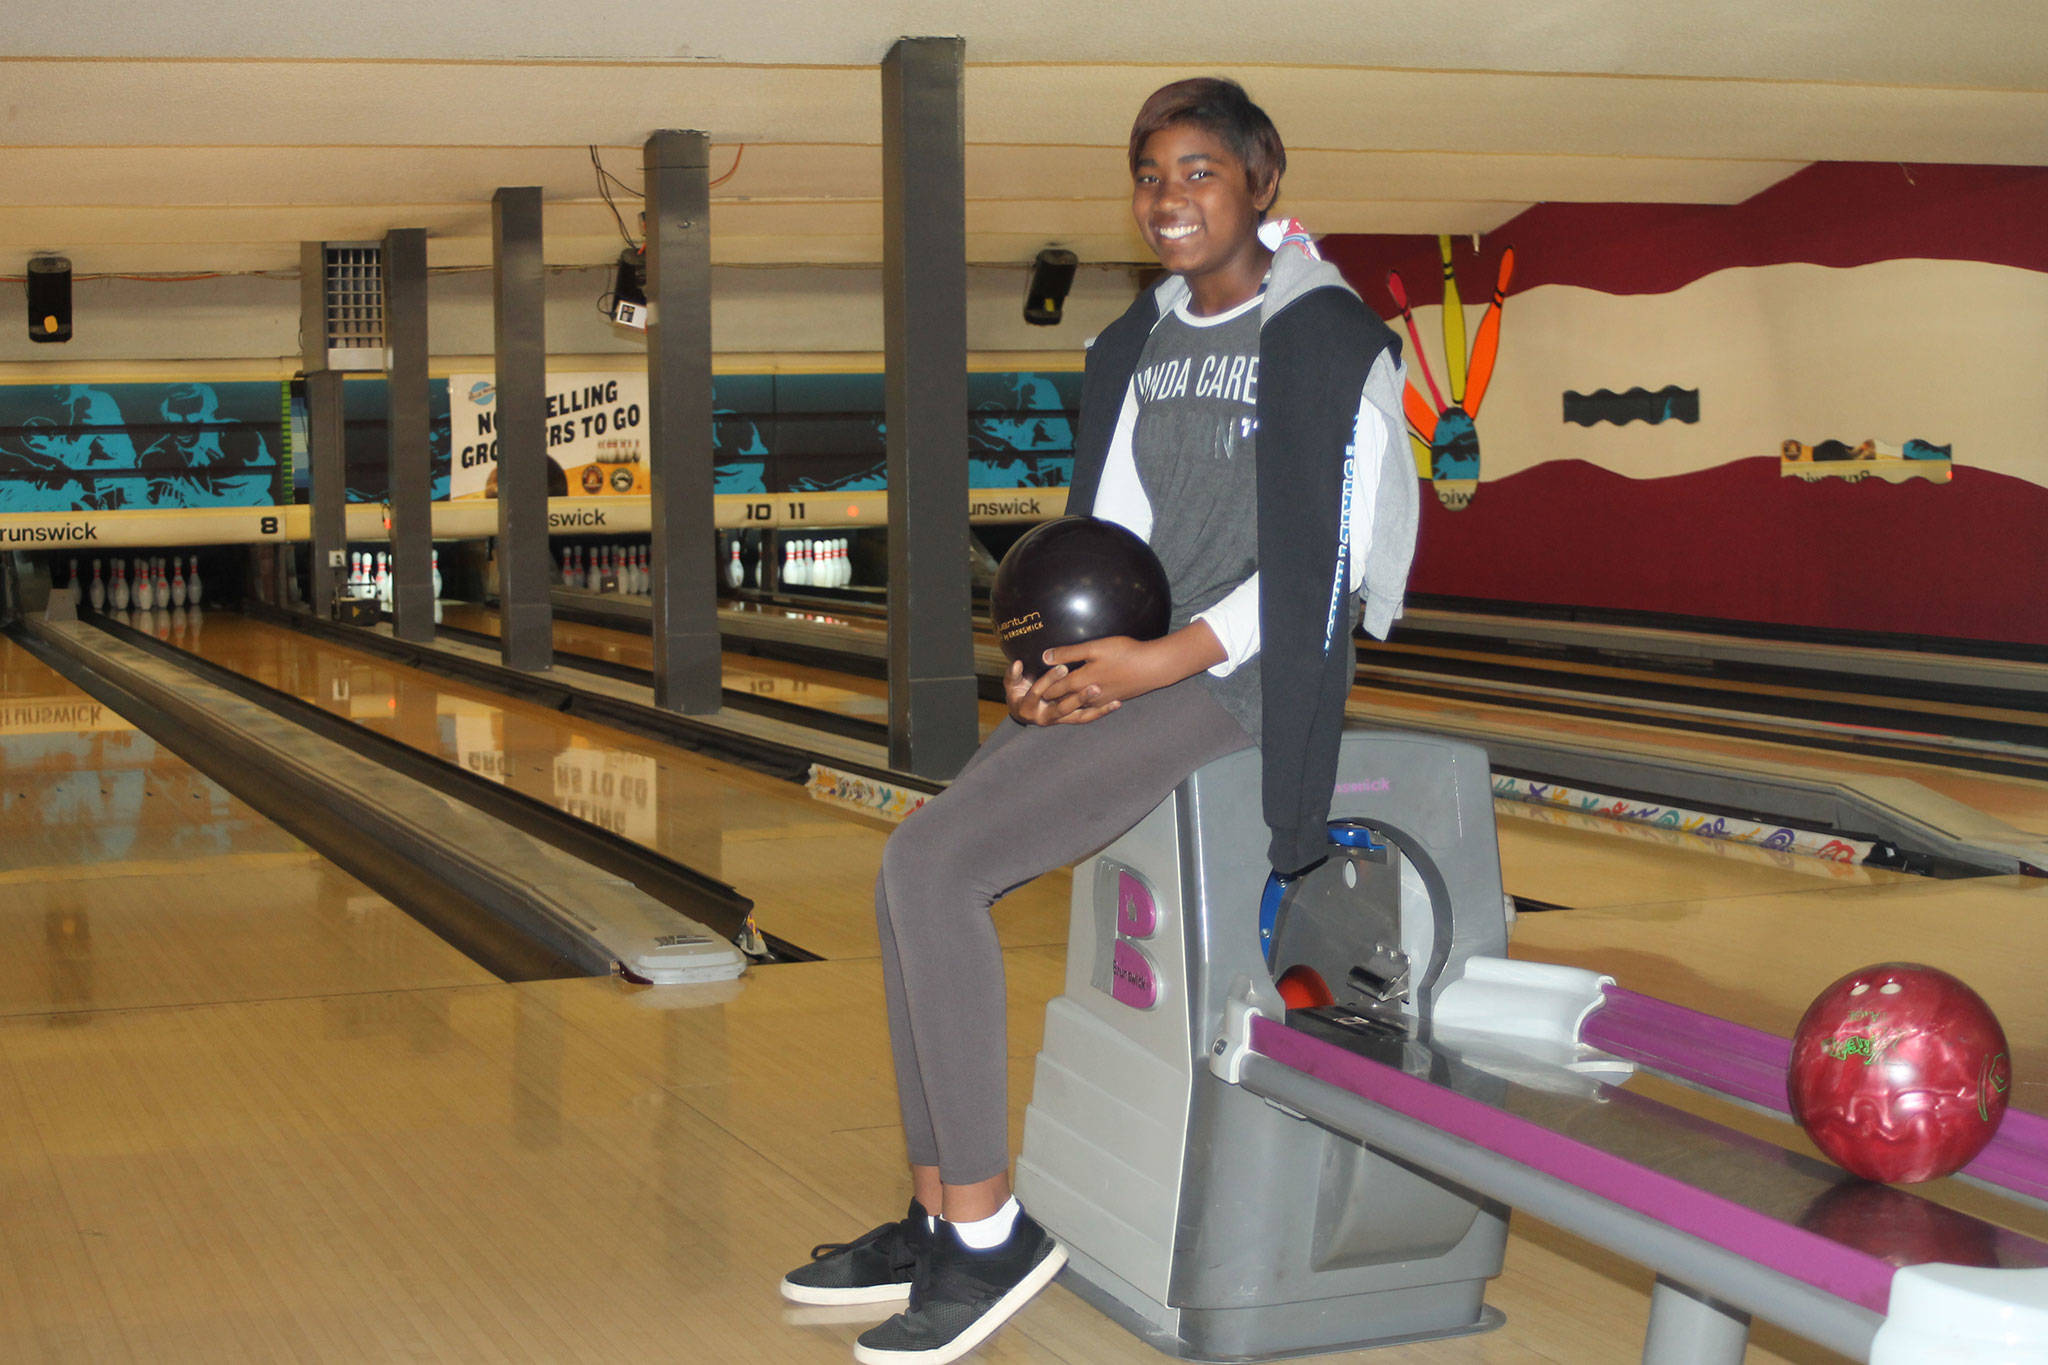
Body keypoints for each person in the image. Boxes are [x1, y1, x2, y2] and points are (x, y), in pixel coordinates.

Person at [781, 77, 1417, 1365]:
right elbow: (1110, 530)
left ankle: (987, 1232)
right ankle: (936, 1206)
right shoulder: (1141, 339)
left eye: (1199, 171)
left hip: (1237, 681)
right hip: (1135, 660)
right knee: (908, 874)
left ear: (1263, 180)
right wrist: (1055, 664)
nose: (1169, 197)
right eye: (1149, 174)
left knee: (933, 862)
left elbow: (1331, 570)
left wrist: (1154, 664)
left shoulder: (1336, 341)